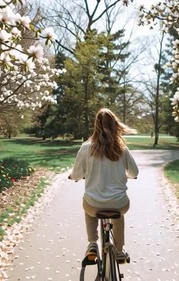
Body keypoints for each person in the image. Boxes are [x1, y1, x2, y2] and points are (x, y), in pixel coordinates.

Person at [68, 108, 139, 263]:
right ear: (115, 125)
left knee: (88, 207)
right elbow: (134, 172)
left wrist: (72, 177)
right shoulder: (122, 148)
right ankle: (120, 251)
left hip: (95, 204)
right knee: (118, 214)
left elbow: (77, 174)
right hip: (119, 203)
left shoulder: (86, 148)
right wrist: (128, 176)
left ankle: (92, 244)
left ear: (96, 125)